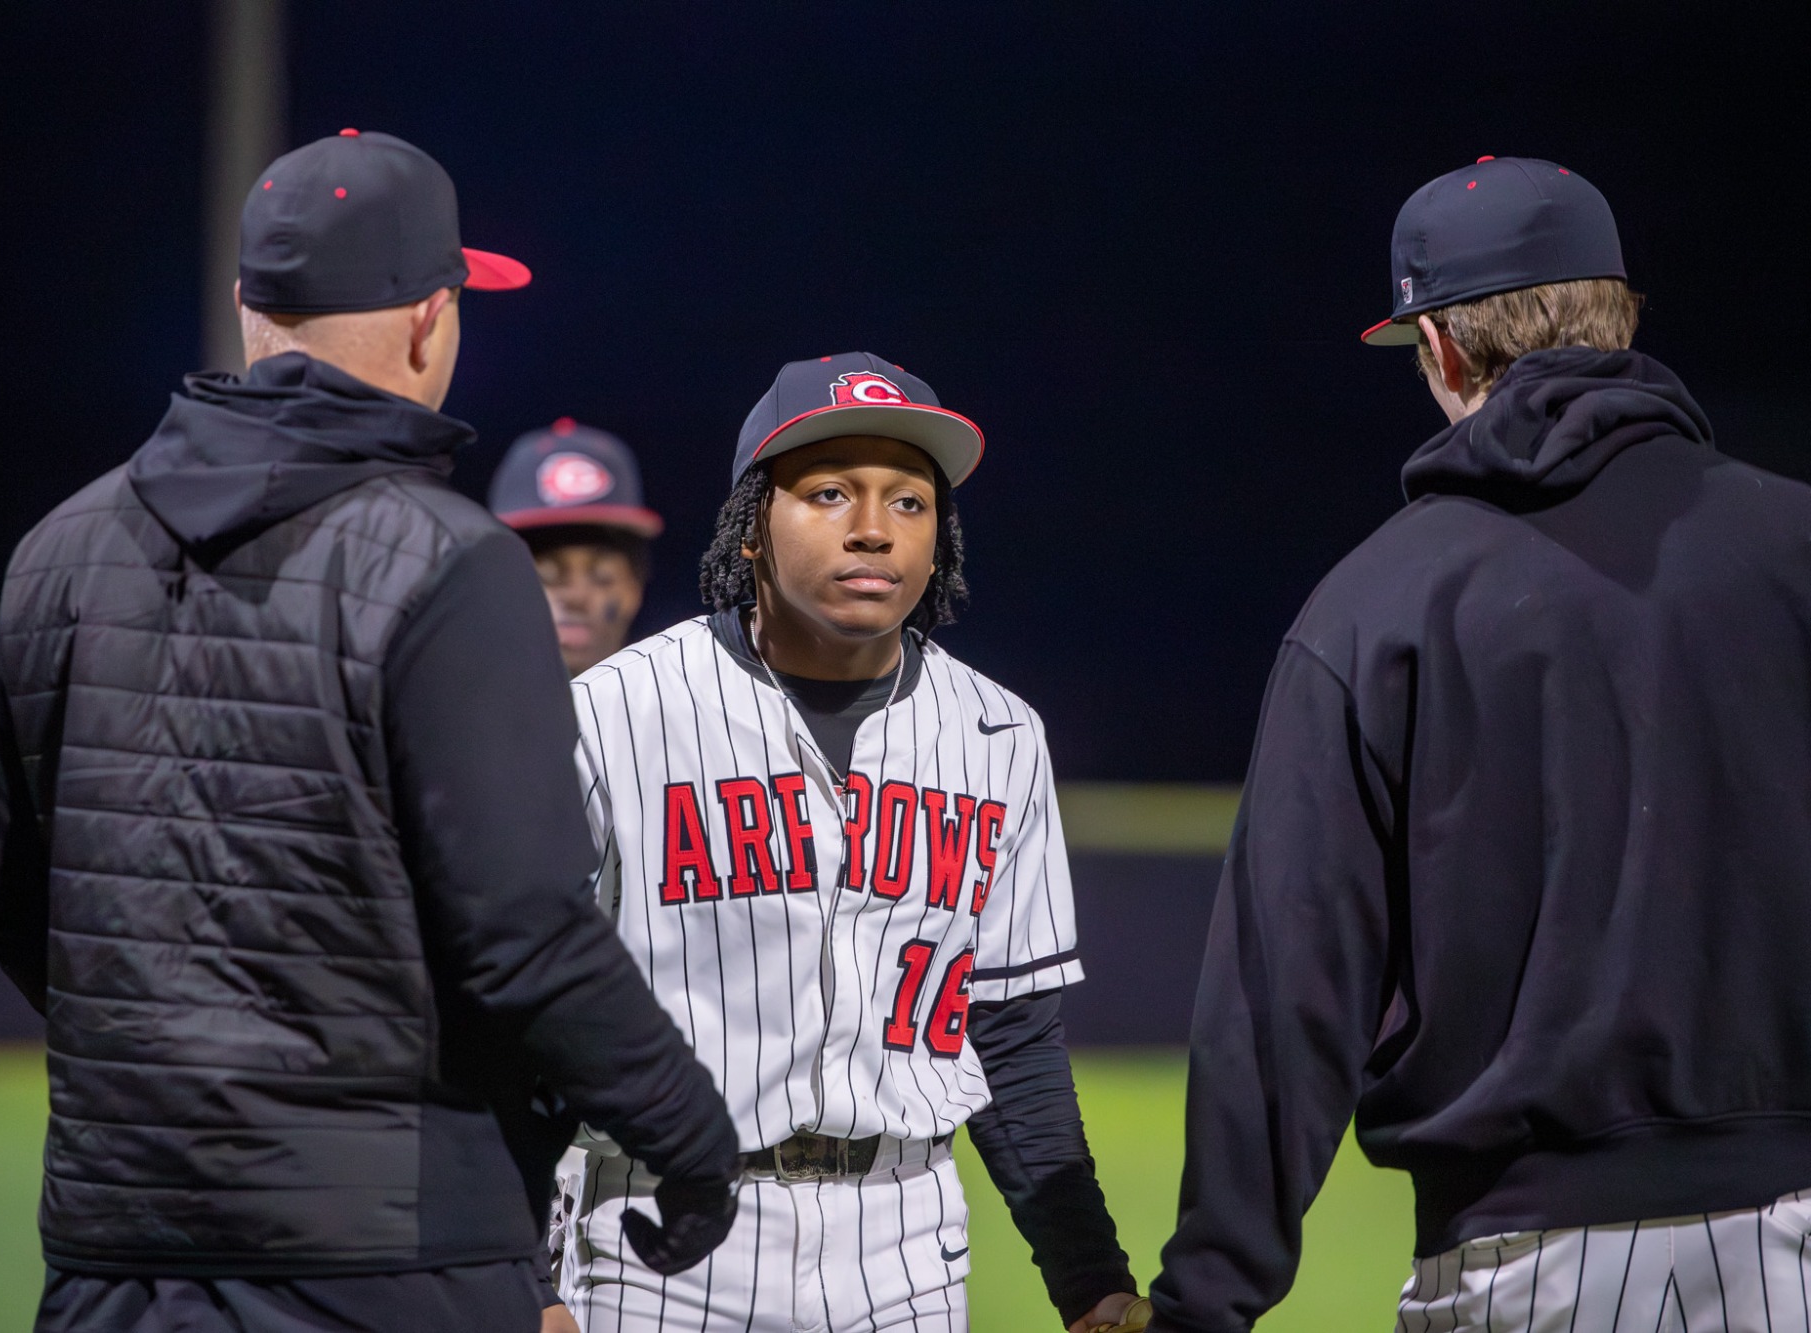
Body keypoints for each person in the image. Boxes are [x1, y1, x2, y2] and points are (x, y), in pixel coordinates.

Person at [0, 128, 739, 1333]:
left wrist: (178, 1053)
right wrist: (687, 1134)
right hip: (391, 1252)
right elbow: (522, 929)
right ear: (428, 321)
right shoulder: (452, 560)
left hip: (116, 1253)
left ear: (251, 308)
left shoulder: (57, 549)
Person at [1146, 157, 1811, 1332]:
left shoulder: (1373, 605)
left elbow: (1285, 983)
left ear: (1441, 353)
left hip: (1538, 1263)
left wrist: (1207, 1296)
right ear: (1617, 317)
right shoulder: (1793, 542)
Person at [554, 352, 1143, 1333]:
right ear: (749, 529)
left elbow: (1007, 1034)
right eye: (829, 492)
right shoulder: (615, 712)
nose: (873, 527)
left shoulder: (997, 735)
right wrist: (527, 1274)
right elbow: (528, 1017)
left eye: (909, 501)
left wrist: (1088, 1279)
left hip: (900, 1239)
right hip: (656, 1237)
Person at [488, 418, 662, 676]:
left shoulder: (680, 709)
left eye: (603, 576)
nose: (576, 596)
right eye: (546, 575)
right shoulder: (444, 705)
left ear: (634, 590)